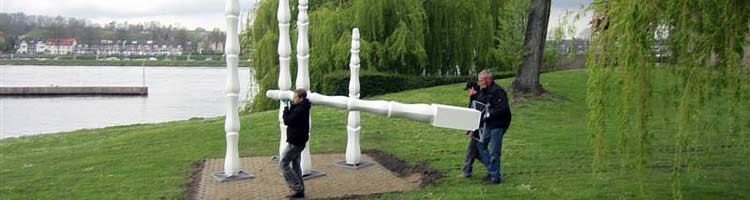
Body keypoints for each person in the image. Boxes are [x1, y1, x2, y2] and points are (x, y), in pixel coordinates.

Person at [475, 69, 512, 184]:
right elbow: (479, 104)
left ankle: (495, 178)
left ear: (488, 79)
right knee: (480, 145)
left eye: (481, 80)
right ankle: (493, 171)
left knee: (494, 151)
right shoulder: (484, 91)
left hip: (499, 124)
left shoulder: (498, 91)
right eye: (480, 80)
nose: (480, 83)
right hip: (489, 123)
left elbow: (503, 108)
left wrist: (489, 114)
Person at [280, 89, 311, 198]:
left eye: (295, 97)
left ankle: (297, 188)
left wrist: (285, 108)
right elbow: (293, 115)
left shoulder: (300, 109)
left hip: (296, 141)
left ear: (301, 98)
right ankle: (300, 191)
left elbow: (287, 120)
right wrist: (291, 106)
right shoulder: (302, 106)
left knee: (283, 163)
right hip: (299, 140)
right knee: (296, 165)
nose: (293, 99)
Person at [461, 80, 485, 178]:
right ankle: (493, 166)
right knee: (476, 153)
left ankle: (466, 172)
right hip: (477, 130)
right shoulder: (474, 98)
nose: (468, 92)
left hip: (479, 130)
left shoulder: (478, 99)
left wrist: (472, 130)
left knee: (471, 151)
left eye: (468, 90)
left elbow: (477, 116)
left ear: (472, 88)